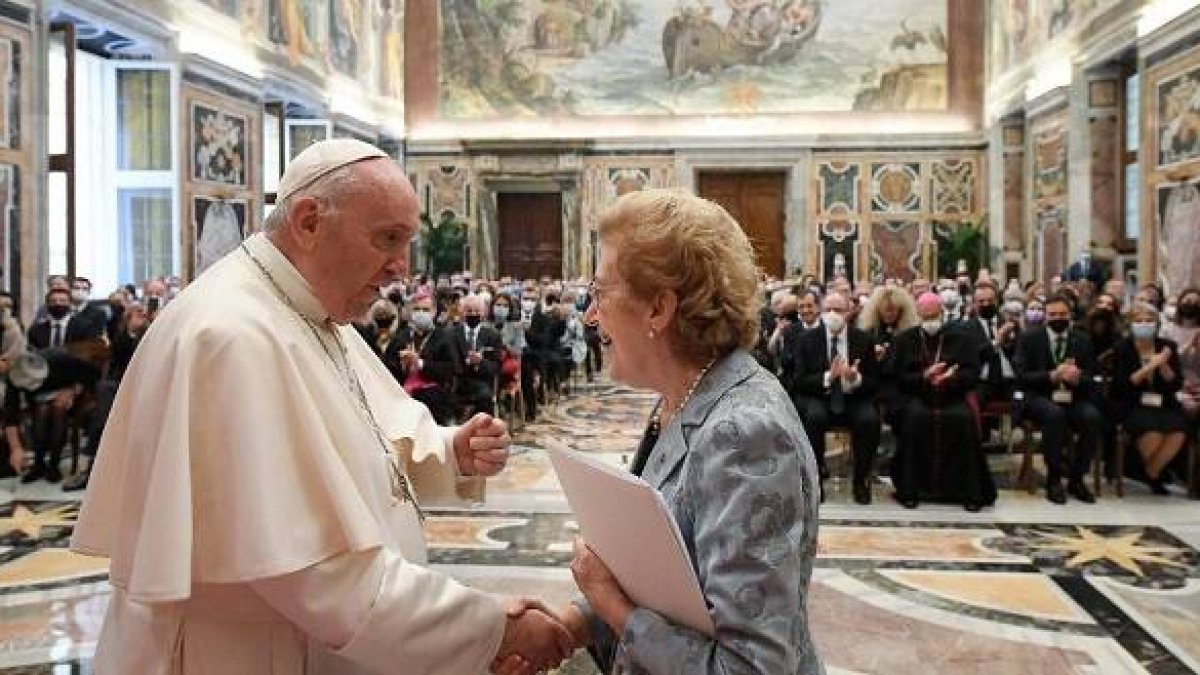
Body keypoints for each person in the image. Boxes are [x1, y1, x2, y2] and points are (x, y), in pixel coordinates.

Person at [70, 140, 573, 674]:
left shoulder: (311, 310)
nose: (400, 268)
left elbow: (364, 429)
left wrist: (449, 451)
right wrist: (493, 630)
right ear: (310, 221)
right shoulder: (233, 336)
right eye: (387, 239)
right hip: (246, 652)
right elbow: (315, 570)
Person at [555, 189, 823, 674]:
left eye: (600, 292)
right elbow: (663, 583)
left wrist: (610, 604)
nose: (592, 315)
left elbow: (749, 668)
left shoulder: (744, 434)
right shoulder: (685, 396)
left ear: (659, 308)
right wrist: (570, 625)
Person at [890, 293, 995, 511]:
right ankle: (910, 489)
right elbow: (898, 377)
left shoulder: (962, 337)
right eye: (925, 316)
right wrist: (924, 376)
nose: (930, 321)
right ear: (918, 315)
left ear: (942, 314)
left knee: (963, 419)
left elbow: (972, 371)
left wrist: (952, 378)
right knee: (914, 419)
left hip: (953, 395)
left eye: (934, 315)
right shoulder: (905, 340)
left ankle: (968, 491)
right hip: (918, 395)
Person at [787, 291, 881, 504]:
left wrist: (855, 378)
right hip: (820, 396)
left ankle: (861, 480)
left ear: (848, 312)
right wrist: (830, 376)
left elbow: (875, 382)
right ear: (821, 311)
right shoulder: (806, 340)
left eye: (838, 310)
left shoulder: (863, 339)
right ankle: (815, 478)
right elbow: (800, 381)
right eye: (828, 309)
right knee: (813, 417)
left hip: (854, 397)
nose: (833, 314)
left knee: (869, 420)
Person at [1014, 294, 1101, 505]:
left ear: (1070, 315)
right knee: (1054, 415)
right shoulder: (1029, 338)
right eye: (1053, 314)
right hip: (1039, 396)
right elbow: (1022, 375)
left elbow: (1093, 378)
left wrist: (1077, 377)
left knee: (1092, 417)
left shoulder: (1082, 340)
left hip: (1073, 396)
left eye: (1062, 314)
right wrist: (1052, 375)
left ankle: (1077, 478)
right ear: (1045, 316)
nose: (1058, 318)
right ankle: (1053, 478)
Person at [1113, 303, 1189, 494]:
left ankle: (1150, 471)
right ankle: (1152, 475)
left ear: (1156, 323)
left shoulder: (1167, 346)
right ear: (1131, 324)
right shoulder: (1122, 347)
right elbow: (1123, 385)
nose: (1144, 324)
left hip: (1164, 402)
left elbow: (1175, 383)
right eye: (1139, 321)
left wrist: (1163, 365)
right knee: (1153, 433)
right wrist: (1149, 366)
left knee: (1178, 431)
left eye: (1149, 321)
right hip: (1132, 403)